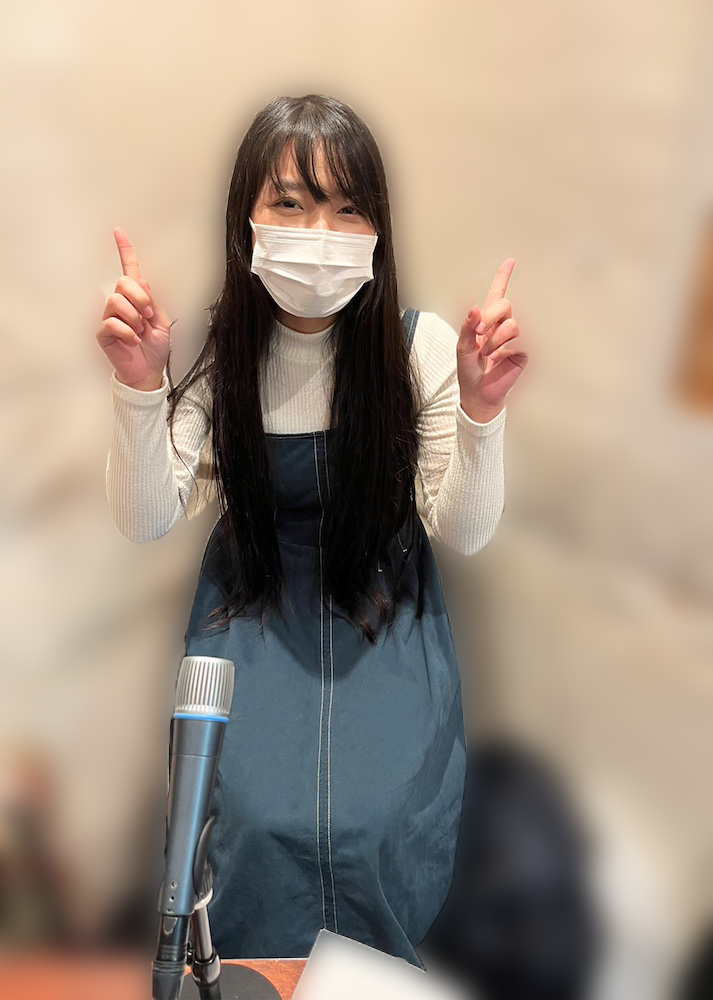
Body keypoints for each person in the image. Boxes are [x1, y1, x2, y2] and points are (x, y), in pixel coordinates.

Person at [98, 93, 528, 966]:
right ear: (245, 221)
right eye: (289, 204)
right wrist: (140, 387)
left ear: (378, 229)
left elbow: (464, 528)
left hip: (383, 612)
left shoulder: (418, 348)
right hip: (252, 607)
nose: (317, 233)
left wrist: (482, 411)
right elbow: (146, 520)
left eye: (345, 208)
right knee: (252, 822)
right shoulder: (219, 350)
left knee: (379, 824)